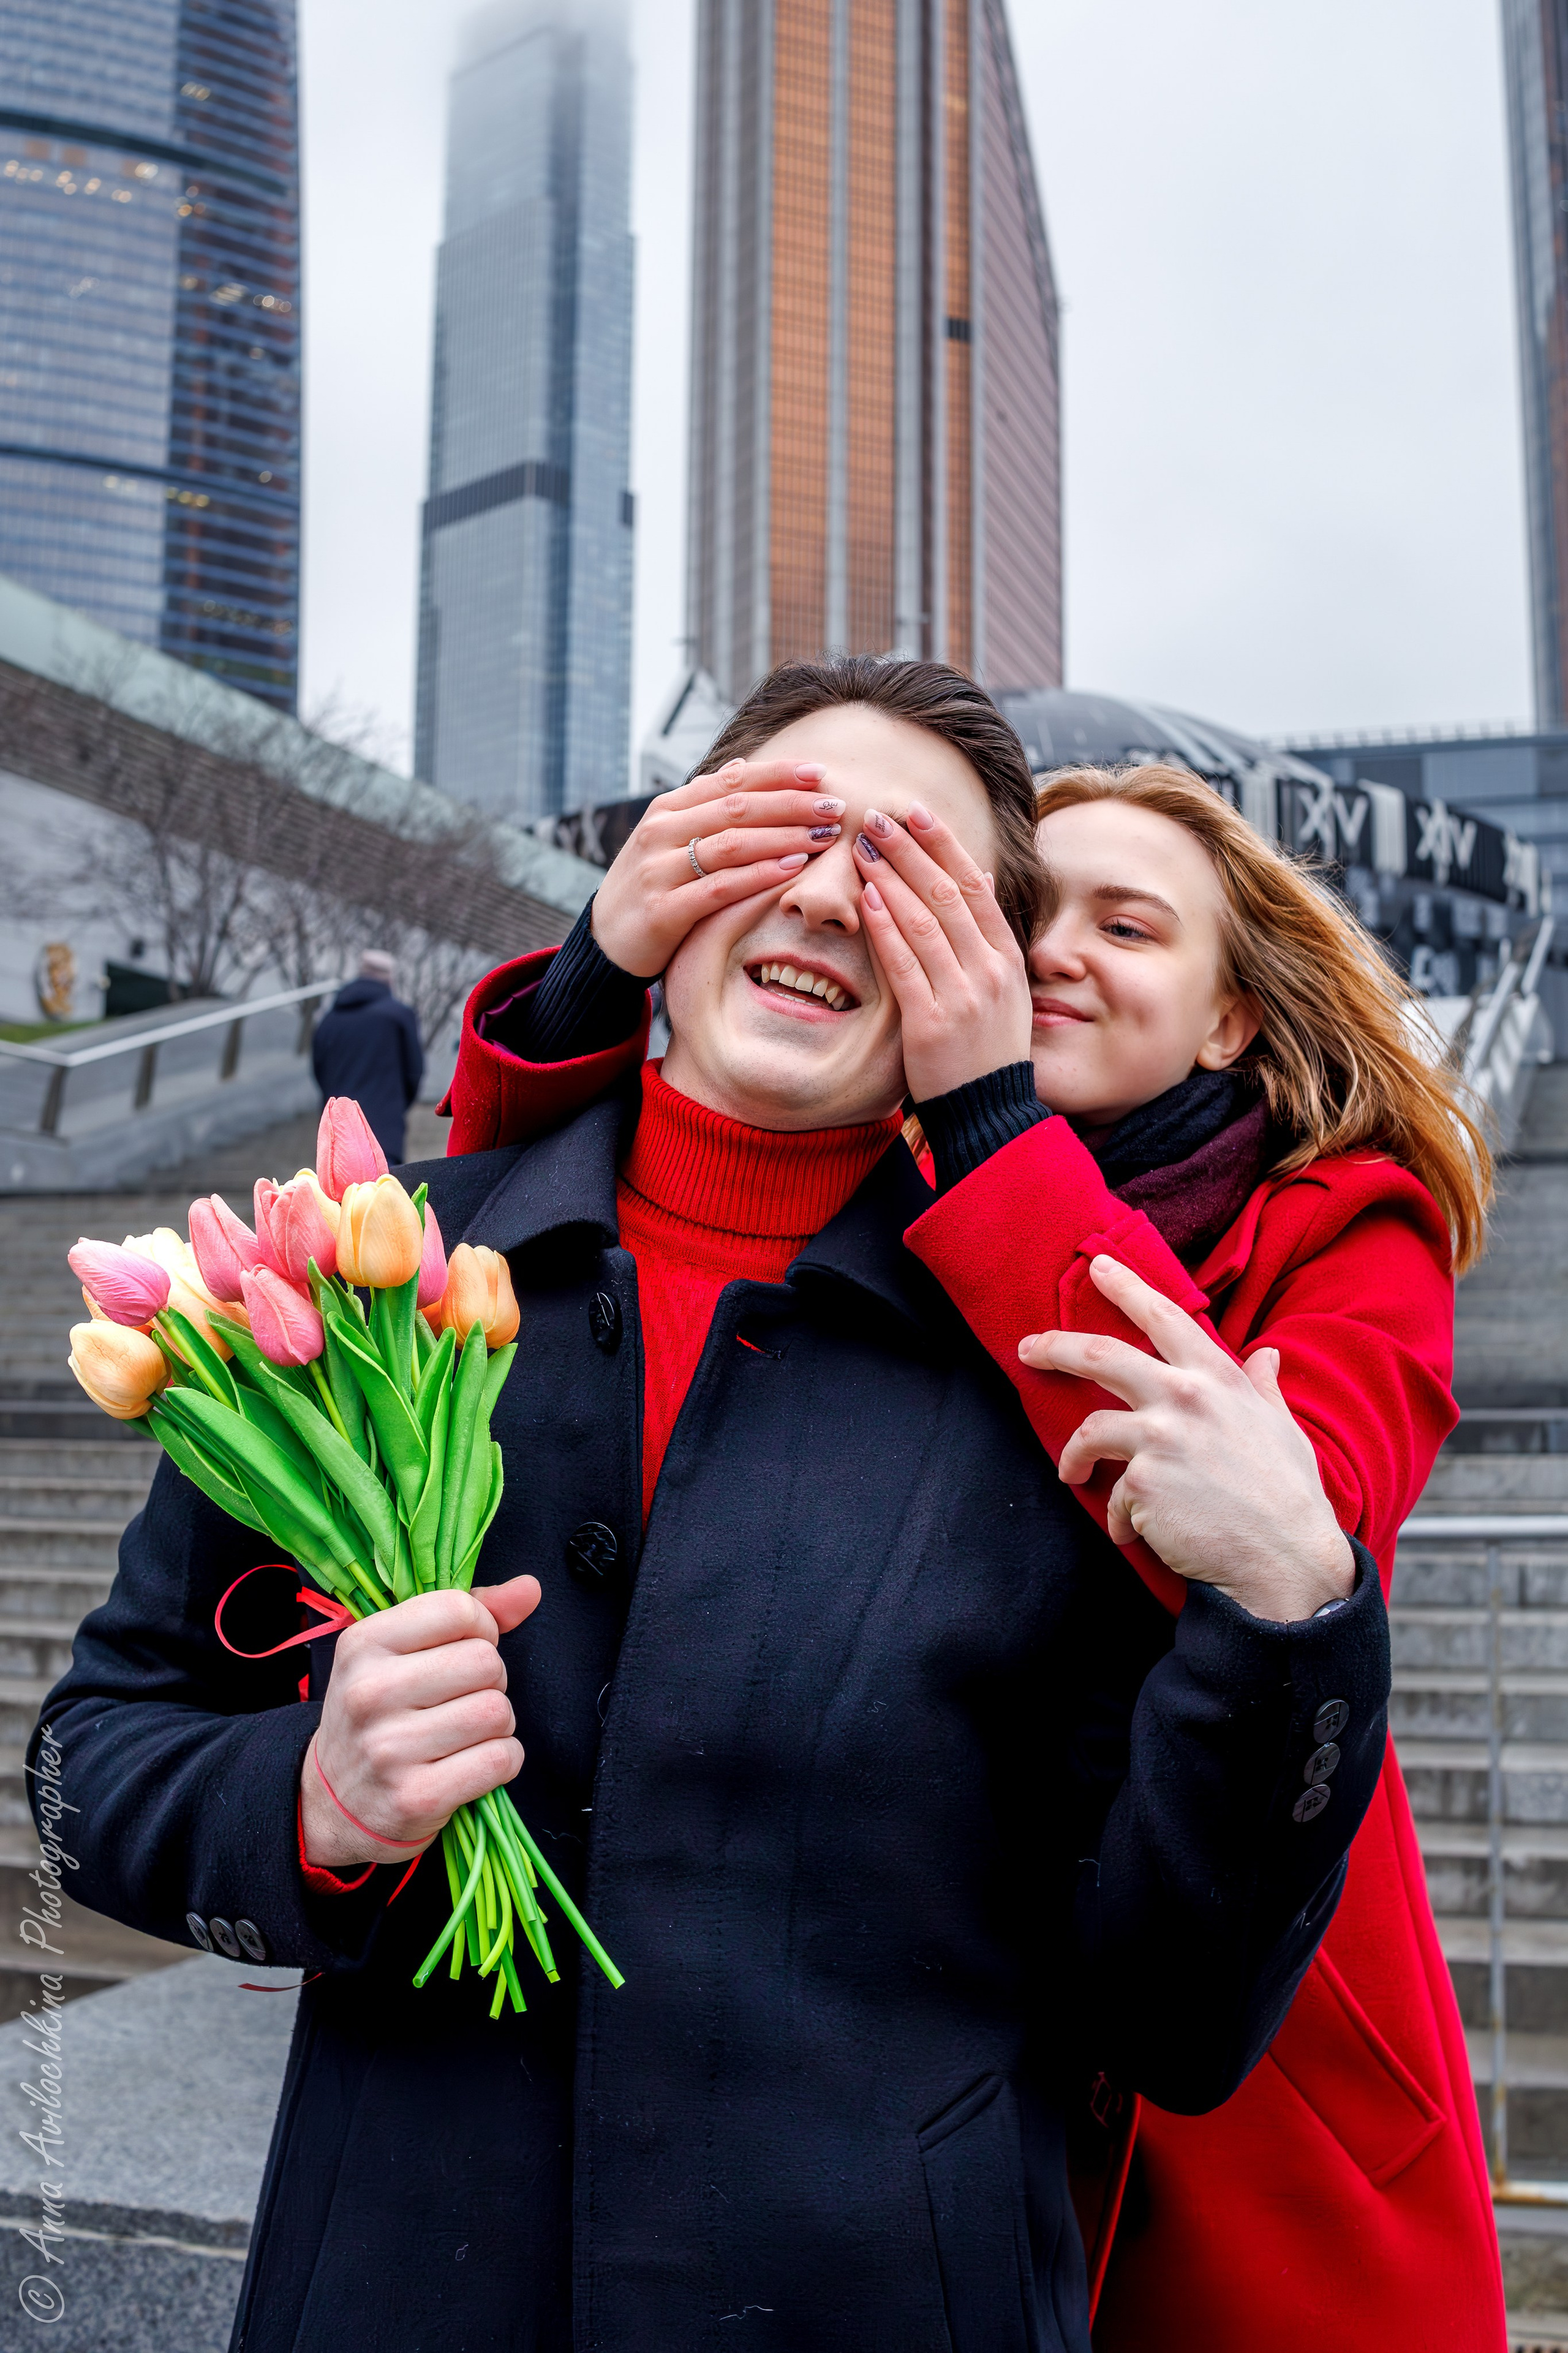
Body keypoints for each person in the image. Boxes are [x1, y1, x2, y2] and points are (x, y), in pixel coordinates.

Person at [32, 659, 1390, 2353]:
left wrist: (1290, 1620)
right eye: (784, 827)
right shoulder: (370, 1273)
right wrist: (309, 1803)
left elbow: (1180, 2018)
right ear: (673, 862)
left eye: (908, 873)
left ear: (982, 975)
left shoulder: (1069, 1371)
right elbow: (85, 1771)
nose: (826, 892)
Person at [442, 728, 1502, 2349]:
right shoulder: (911, 1178)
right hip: (945, 2029)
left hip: (1240, 2035)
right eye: (1024, 920)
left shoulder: (1343, 1221)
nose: (1055, 955)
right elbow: (558, 1233)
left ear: (1233, 1012)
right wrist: (594, 983)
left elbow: (1274, 1534)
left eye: (1128, 928)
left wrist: (1001, 1121)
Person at [311, 948, 424, 1164]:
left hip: (336, 1137)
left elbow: (318, 1069)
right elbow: (414, 1072)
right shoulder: (399, 1016)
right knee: (381, 1194)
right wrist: (395, 1105)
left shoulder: (330, 1019)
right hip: (383, 1133)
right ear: (389, 979)